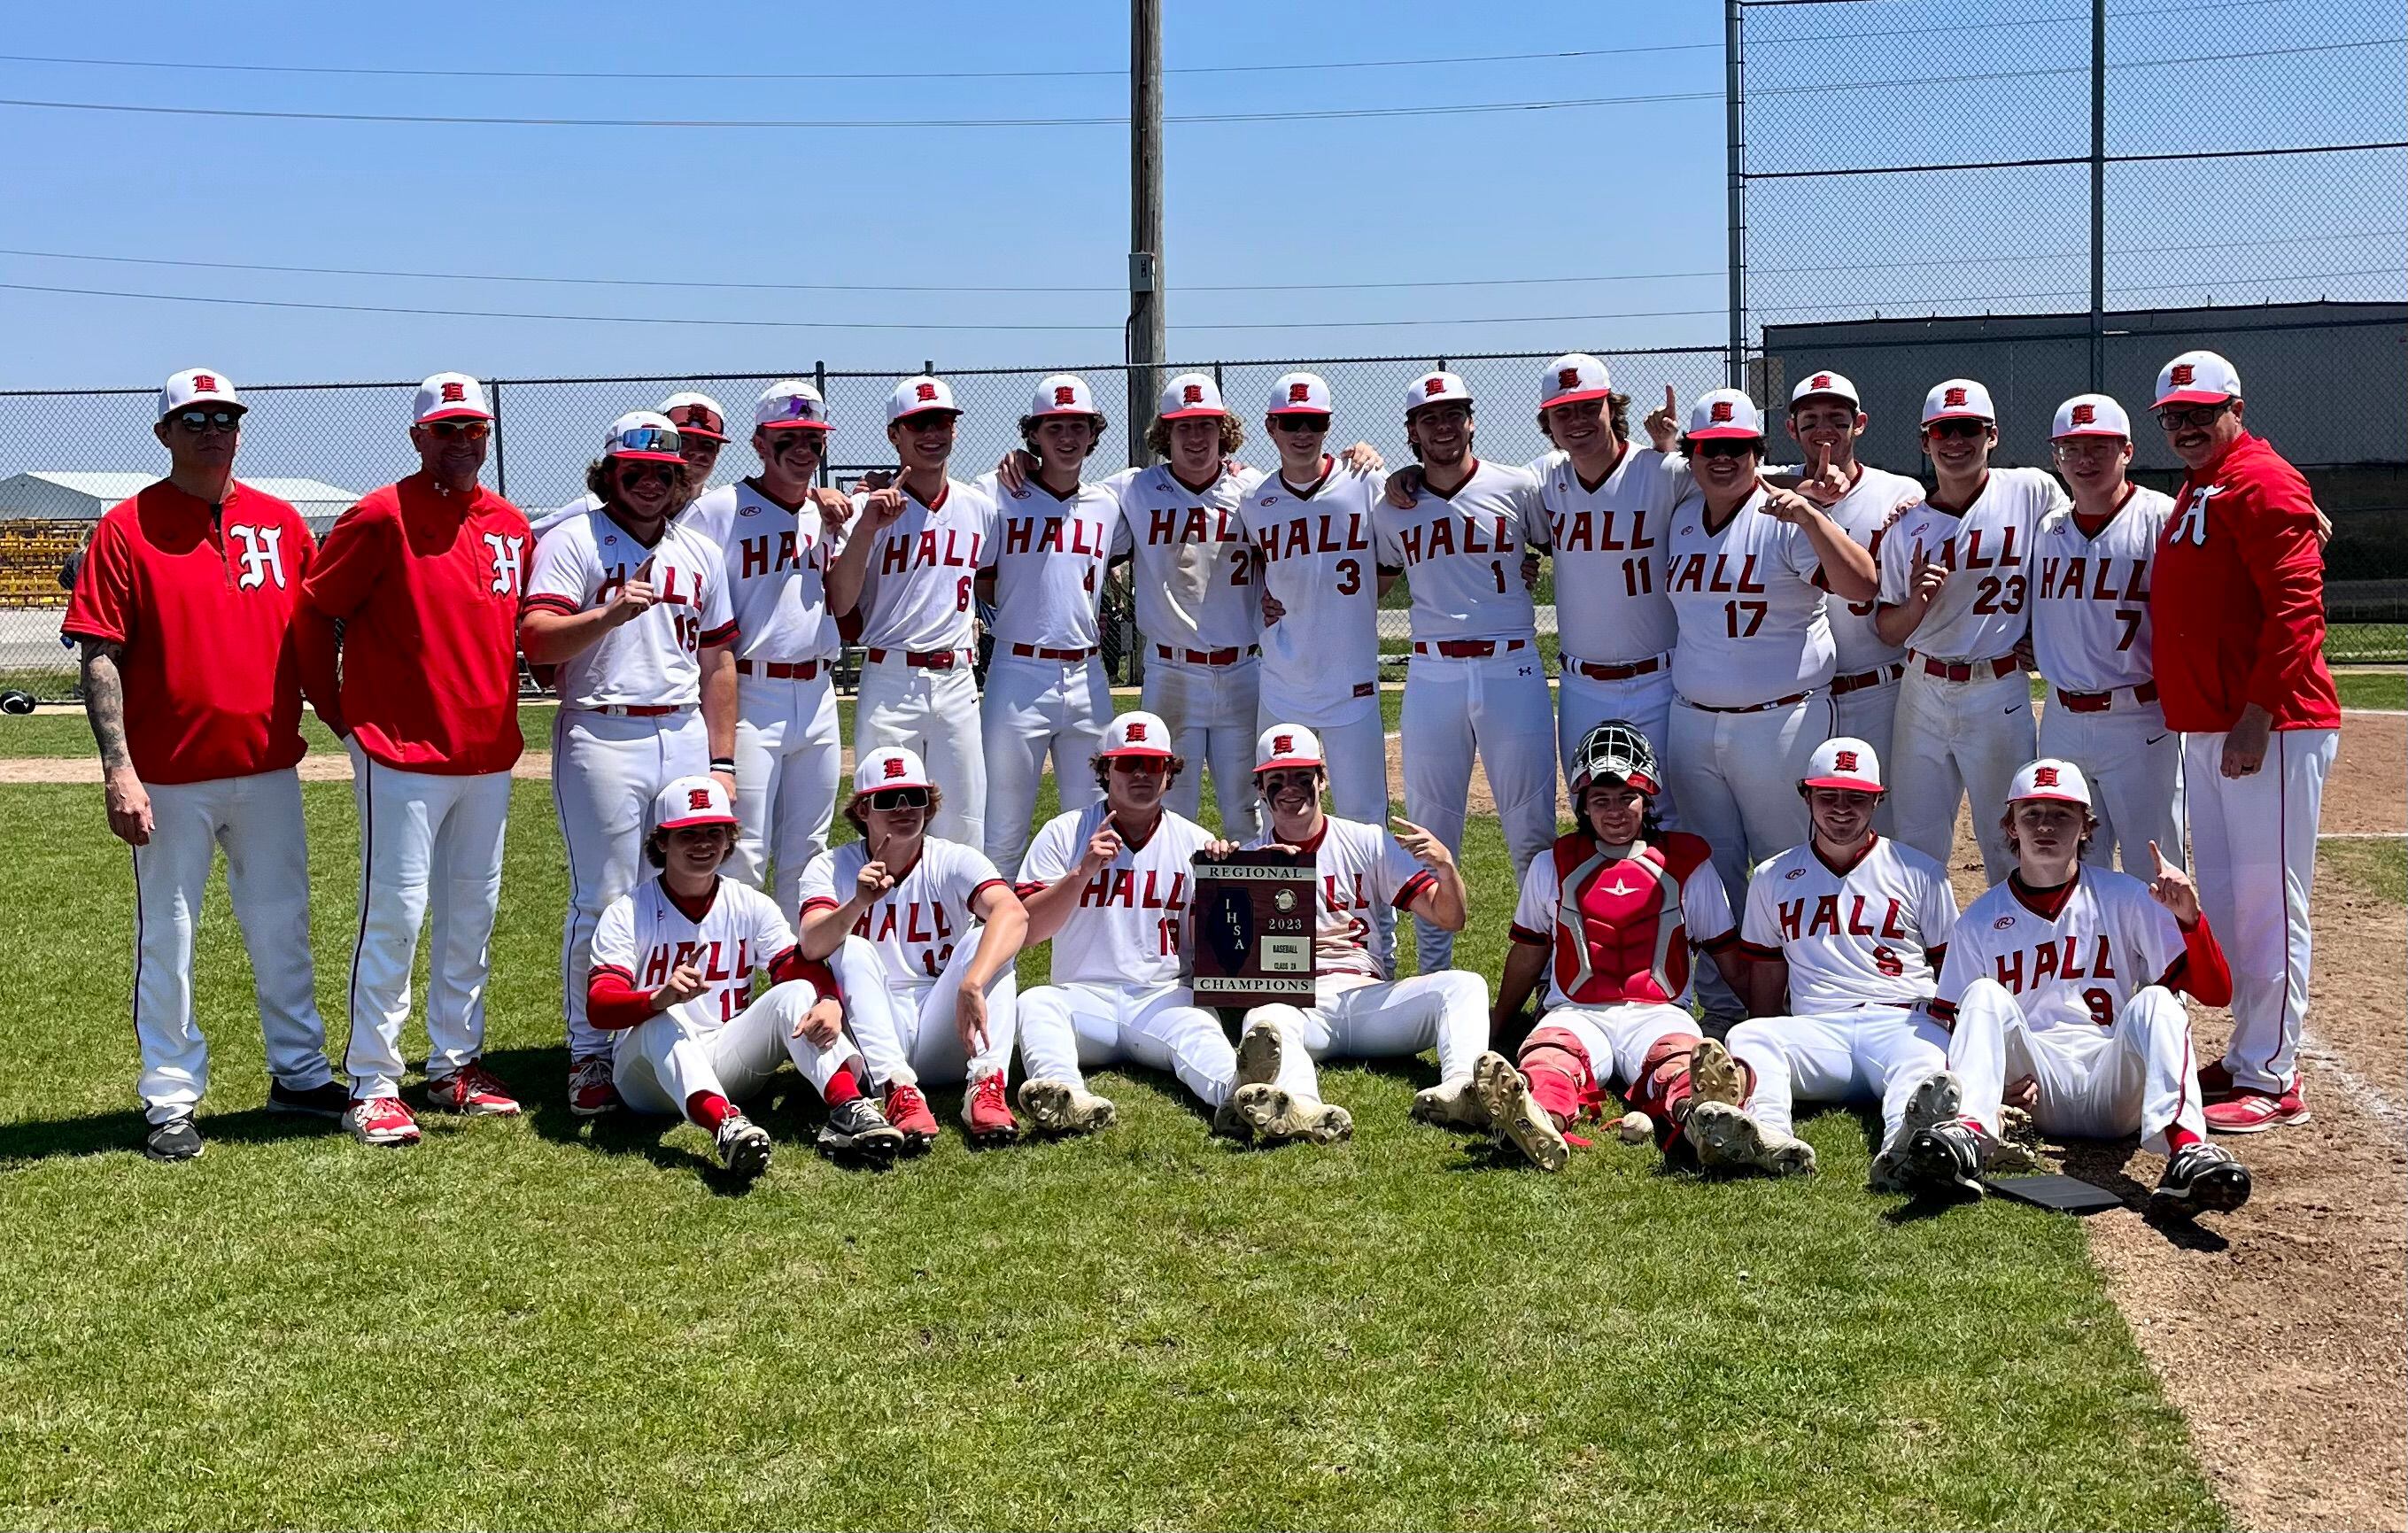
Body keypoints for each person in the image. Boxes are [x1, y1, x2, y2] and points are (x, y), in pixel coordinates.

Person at [60, 368, 343, 1161]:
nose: (211, 429)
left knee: (283, 926)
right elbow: (99, 655)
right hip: (169, 778)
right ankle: (171, 1099)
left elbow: (323, 628)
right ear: (164, 434)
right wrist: (119, 769)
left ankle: (298, 1074)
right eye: (193, 419)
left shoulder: (283, 523)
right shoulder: (124, 527)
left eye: (223, 416)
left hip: (266, 769)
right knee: (170, 942)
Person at [295, 372, 531, 1147]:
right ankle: (373, 1080)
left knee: (473, 912)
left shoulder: (508, 522)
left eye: (475, 430)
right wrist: (337, 712)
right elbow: (314, 609)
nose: (463, 442)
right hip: (398, 750)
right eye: (446, 429)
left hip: (487, 751)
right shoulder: (380, 513)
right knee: (394, 916)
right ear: (417, 436)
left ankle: (453, 1063)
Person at [1912, 759, 2250, 1217]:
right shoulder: (1979, 920)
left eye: (2061, 814)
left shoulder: (2126, 896)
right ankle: (1970, 1132)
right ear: (2010, 826)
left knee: (2156, 999)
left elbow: (2216, 993)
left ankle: (2186, 1153)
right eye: (2031, 814)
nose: (2045, 826)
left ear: (2086, 826)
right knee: (1982, 996)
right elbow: (1953, 1023)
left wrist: (2190, 920)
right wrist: (1990, 1086)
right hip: (2036, 1090)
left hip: (2113, 1084)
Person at [522, 411, 739, 1115]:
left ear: (681, 482)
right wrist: (607, 616)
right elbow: (537, 642)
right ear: (608, 473)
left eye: (664, 473)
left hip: (680, 731)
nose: (650, 483)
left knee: (676, 887)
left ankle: (658, 1030)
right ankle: (588, 1051)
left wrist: (723, 758)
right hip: (602, 729)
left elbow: (717, 658)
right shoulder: (572, 538)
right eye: (634, 470)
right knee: (605, 895)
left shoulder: (697, 549)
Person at [2148, 349, 2340, 1134]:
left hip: (2271, 724)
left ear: (2236, 406)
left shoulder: (2259, 478)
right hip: (2212, 723)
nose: (2187, 425)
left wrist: (2257, 714)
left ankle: (2275, 1074)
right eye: (2173, 416)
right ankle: (2249, 1050)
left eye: (2201, 411)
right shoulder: (2205, 482)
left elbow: (2298, 610)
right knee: (2228, 901)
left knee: (2268, 902)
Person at [585, 777, 904, 1177]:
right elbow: (599, 1006)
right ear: (662, 841)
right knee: (661, 1020)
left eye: (714, 832)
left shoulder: (749, 903)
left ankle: (847, 1107)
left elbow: (795, 967)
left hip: (729, 1056)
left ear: (730, 837)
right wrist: (655, 999)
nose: (703, 844)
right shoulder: (629, 911)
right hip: (648, 1080)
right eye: (688, 834)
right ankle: (726, 1126)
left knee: (800, 991)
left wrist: (827, 999)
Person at [1684, 737, 1963, 1190]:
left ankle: (1906, 1147)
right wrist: (1767, 1028)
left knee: (1923, 1067)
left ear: (1877, 800)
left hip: (1902, 1022)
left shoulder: (1921, 871)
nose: (1841, 809)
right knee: (1749, 1034)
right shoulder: (1773, 876)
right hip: (1818, 1031)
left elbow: (1952, 970)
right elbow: (1767, 970)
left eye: (1856, 798)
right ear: (1806, 795)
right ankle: (1767, 1135)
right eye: (1827, 796)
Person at [1475, 722, 1746, 1173]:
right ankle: (1536, 1118)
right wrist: (1497, 1024)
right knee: (1550, 1056)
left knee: (1679, 1061)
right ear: (1583, 804)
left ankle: (1705, 1118)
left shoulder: (1688, 864)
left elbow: (1727, 953)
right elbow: (1528, 953)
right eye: (1601, 800)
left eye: (1627, 798)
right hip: (1575, 1010)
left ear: (1648, 798)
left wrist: (1767, 1018)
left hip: (1660, 1011)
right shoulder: (1553, 864)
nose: (1615, 812)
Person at [1659, 388, 1878, 926]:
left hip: (1781, 721)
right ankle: (1717, 1000)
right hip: (1692, 720)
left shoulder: (1785, 516)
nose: (1723, 458)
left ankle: (1795, 993)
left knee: (1789, 864)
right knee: (1708, 868)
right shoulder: (1684, 517)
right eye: (1709, 448)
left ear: (1758, 451)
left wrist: (1813, 518)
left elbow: (1863, 585)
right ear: (1692, 456)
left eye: (1738, 445)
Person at [1375, 369, 1557, 972]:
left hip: (1512, 664)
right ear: (1412, 431)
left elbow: (1560, 547)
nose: (1444, 425)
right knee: (1429, 829)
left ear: (1471, 419)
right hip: (1433, 672)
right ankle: (1433, 975)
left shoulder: (1517, 484)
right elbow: (1370, 584)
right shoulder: (1392, 504)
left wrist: (1526, 567)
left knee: (1532, 829)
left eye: (1454, 413)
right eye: (1430, 417)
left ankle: (1551, 977)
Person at [1229, 724, 1480, 1145]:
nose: (1290, 789)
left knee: (1464, 985)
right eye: (1277, 780)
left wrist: (1446, 866)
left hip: (1368, 998)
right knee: (1262, 1021)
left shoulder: (1366, 841)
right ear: (1260, 788)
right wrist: (1229, 882)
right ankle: (1300, 1106)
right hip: (1298, 1004)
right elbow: (1222, 957)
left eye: (1301, 777)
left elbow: (1449, 918)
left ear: (1322, 779)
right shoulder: (1249, 858)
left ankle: (1462, 1089)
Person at [1011, 711, 1244, 1135]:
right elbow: (1027, 930)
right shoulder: (1065, 833)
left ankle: (1239, 1095)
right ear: (1105, 769)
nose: (1142, 773)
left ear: (1170, 773)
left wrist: (1225, 887)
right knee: (1036, 1003)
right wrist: (1081, 873)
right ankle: (1065, 1096)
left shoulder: (1195, 842)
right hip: (1083, 998)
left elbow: (1221, 947)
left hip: (1161, 996)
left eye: (1154, 763)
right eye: (1127, 763)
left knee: (1200, 1027)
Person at [1875, 378, 2066, 883]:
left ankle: (2011, 954)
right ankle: (1925, 955)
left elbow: (2071, 560)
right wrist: (1916, 602)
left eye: (1968, 429)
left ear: (1993, 436)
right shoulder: (1906, 527)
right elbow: (1888, 629)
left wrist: (2044, 636)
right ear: (1925, 442)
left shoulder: (2031, 489)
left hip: (1998, 688)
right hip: (1922, 689)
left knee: (2009, 836)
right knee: (1915, 842)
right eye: (1943, 431)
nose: (1955, 441)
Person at [796, 747, 1029, 1148]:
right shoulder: (830, 866)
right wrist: (858, 904)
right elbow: (812, 944)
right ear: (863, 809)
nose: (904, 808)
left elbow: (1014, 914)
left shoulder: (953, 859)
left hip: (948, 1021)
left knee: (987, 941)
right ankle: (896, 1089)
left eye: (915, 797)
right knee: (852, 949)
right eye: (888, 799)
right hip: (872, 1028)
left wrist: (972, 982)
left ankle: (986, 1084)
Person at [1244, 373, 1398, 966]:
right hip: (1282, 683)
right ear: (1271, 428)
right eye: (1291, 422)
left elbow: (1390, 561)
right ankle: (1279, 957)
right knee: (1275, 823)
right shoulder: (1255, 501)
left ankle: (1376, 956)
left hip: (1351, 685)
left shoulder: (1365, 482)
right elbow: (1249, 568)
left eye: (1314, 422)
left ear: (1329, 427)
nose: (1303, 433)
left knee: (1364, 828)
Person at [680, 380, 850, 917]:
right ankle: (733, 981)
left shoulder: (826, 514)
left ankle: (797, 981)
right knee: (745, 853)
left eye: (813, 438)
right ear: (759, 443)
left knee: (808, 850)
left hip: (819, 691)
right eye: (788, 437)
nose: (803, 450)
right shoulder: (721, 509)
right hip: (750, 692)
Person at [826, 376, 997, 850]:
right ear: (894, 434)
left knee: (964, 823)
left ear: (955, 430)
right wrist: (867, 525)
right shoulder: (866, 506)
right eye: (917, 423)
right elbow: (840, 601)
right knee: (885, 821)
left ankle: (960, 925)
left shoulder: (980, 508)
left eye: (941, 421)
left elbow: (989, 577)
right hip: (890, 676)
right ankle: (884, 923)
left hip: (959, 677)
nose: (932, 433)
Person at [1107, 372, 1269, 837]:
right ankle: (1172, 909)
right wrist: (1021, 461)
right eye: (1184, 426)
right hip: (1172, 670)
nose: (1196, 437)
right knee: (1169, 810)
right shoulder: (1135, 488)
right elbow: (1065, 488)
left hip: (1242, 670)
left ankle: (1257, 906)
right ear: (1165, 432)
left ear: (1224, 429)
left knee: (1247, 808)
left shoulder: (1254, 489)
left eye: (1206, 425)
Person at [975, 374, 1125, 876]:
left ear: (1093, 433)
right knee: (1004, 830)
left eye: (1078, 426)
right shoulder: (998, 493)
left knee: (1095, 828)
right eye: (1053, 426)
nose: (1067, 437)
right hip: (1019, 671)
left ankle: (1087, 950)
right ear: (1033, 435)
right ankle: (995, 955)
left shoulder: (1108, 503)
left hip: (1087, 674)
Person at [2029, 394, 2182, 871]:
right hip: (2061, 718)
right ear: (2056, 456)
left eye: (2099, 446)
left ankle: (2163, 949)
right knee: (2068, 869)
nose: (2084, 460)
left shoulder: (2162, 517)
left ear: (2127, 451)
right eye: (2071, 449)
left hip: (2139, 718)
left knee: (2152, 866)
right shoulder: (2046, 527)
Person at [1777, 369, 1928, 830]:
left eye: (1837, 418)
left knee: (1888, 822)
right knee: (1802, 824)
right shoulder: (1768, 489)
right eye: (1811, 419)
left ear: (1859, 423)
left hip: (1878, 687)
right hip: (1797, 697)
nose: (1824, 428)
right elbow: (1704, 472)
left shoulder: (1900, 494)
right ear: (1791, 428)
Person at [529, 391, 732, 537]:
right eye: (684, 440)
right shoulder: (596, 506)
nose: (696, 452)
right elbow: (527, 541)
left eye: (707, 444)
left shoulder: (721, 512)